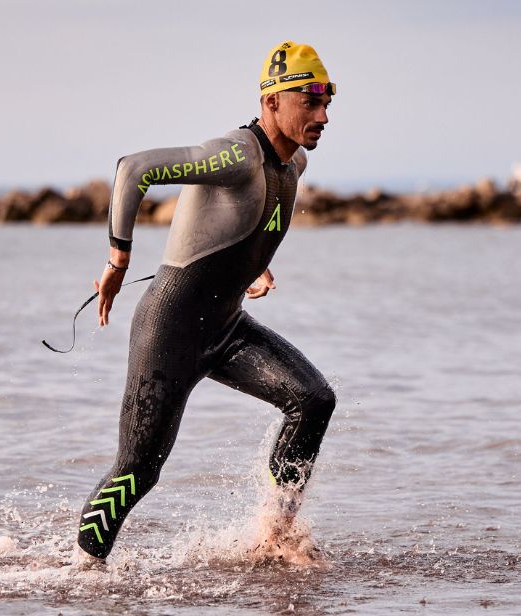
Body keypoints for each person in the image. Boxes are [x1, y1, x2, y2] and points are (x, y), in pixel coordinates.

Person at [74, 41, 338, 563]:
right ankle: (83, 567)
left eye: (328, 100)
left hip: (225, 327)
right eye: (309, 101)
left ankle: (276, 534)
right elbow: (133, 170)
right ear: (271, 102)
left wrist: (253, 264)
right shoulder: (237, 154)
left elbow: (244, 222)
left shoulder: (295, 165)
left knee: (313, 400)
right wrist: (117, 262)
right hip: (170, 330)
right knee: (138, 470)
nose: (323, 115)